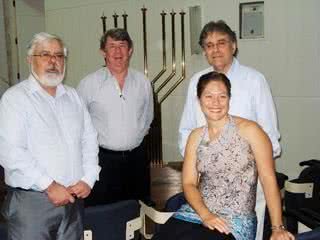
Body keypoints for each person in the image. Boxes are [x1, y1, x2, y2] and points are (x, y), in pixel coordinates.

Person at [153, 71, 294, 240]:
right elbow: (189, 183)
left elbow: (268, 179)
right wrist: (206, 215)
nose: (216, 103)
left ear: (229, 98)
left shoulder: (251, 130)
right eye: (209, 96)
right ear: (199, 100)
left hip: (235, 221)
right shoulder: (195, 136)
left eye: (222, 96)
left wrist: (277, 228)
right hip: (196, 213)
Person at [178, 20, 280, 240]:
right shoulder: (197, 81)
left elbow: (270, 133)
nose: (215, 49)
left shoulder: (254, 80)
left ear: (233, 45)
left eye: (221, 43)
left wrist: (257, 168)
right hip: (207, 183)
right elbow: (187, 128)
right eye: (209, 45)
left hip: (249, 182)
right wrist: (194, 163)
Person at [0, 32, 100, 240]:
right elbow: (11, 152)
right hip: (32, 203)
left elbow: (89, 140)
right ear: (30, 60)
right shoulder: (15, 99)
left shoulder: (74, 97)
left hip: (73, 200)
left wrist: (88, 178)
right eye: (45, 54)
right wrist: (49, 185)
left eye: (59, 56)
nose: (53, 61)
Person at [77, 28, 154, 206]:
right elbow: (79, 123)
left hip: (136, 161)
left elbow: (148, 116)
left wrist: (134, 139)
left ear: (130, 50)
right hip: (103, 161)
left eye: (122, 46)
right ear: (103, 52)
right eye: (112, 46)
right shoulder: (88, 84)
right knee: (104, 213)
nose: (117, 52)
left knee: (136, 210)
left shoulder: (143, 82)